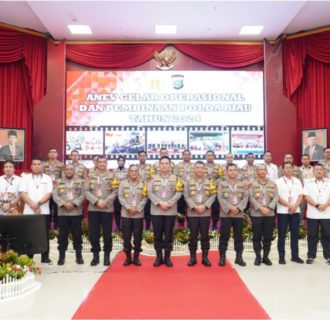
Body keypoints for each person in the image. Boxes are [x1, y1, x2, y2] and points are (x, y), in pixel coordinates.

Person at [148, 156, 182, 267]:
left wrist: (169, 203)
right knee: (157, 235)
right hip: (156, 210)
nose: (164, 165)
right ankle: (158, 257)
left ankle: (167, 257)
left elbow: (179, 192)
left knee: (169, 235)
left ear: (170, 165)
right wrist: (159, 203)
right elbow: (149, 192)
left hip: (170, 211)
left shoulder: (176, 178)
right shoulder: (153, 178)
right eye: (162, 163)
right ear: (159, 165)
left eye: (167, 163)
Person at [85, 156, 118, 266]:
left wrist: (105, 202)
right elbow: (86, 191)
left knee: (107, 233)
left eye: (104, 162)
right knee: (93, 233)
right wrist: (96, 201)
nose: (102, 164)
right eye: (100, 162)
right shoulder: (90, 175)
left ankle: (106, 255)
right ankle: (95, 256)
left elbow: (115, 191)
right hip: (93, 208)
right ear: (96, 163)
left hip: (107, 208)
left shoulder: (112, 175)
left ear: (107, 163)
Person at [19, 158, 53, 263]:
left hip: (44, 211)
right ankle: (29, 257)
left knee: (44, 234)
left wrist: (38, 204)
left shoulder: (48, 178)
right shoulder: (25, 178)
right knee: (29, 234)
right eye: (34, 164)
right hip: (29, 211)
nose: (37, 166)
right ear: (31, 166)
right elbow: (22, 193)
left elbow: (49, 194)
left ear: (42, 166)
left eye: (39, 164)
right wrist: (33, 205)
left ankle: (45, 257)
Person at [184, 161, 216, 267]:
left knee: (205, 235)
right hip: (192, 212)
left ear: (204, 169)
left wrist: (205, 206)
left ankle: (205, 258)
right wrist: (194, 206)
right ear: (194, 169)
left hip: (205, 212)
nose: (199, 169)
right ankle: (192, 257)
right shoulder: (188, 182)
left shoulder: (210, 182)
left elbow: (213, 195)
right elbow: (186, 195)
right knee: (192, 236)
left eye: (201, 168)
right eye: (197, 167)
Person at [52, 164, 85, 265]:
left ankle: (79, 256)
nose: (69, 171)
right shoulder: (58, 182)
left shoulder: (80, 182)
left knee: (77, 235)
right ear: (64, 171)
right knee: (62, 236)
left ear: (74, 170)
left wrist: (74, 204)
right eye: (67, 169)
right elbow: (54, 195)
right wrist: (64, 204)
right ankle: (61, 257)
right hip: (63, 213)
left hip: (76, 212)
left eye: (71, 169)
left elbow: (84, 195)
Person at [218, 164, 248, 267]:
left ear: (237, 171)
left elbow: (245, 197)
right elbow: (220, 198)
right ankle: (222, 257)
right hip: (226, 214)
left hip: (238, 214)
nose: (232, 172)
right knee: (224, 236)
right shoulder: (222, 184)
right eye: (230, 170)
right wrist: (230, 208)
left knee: (238, 236)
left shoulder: (242, 184)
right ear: (226, 172)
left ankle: (239, 257)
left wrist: (238, 208)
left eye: (234, 170)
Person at [118, 165, 147, 266]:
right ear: (129, 173)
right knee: (126, 237)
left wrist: (137, 208)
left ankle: (136, 258)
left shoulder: (143, 184)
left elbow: (145, 198)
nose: (134, 172)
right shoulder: (123, 183)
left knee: (138, 237)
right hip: (126, 214)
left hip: (138, 215)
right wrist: (128, 207)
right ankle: (128, 257)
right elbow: (120, 196)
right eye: (131, 171)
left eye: (135, 171)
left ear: (138, 173)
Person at [249, 164, 279, 266]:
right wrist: (261, 208)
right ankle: (258, 257)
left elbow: (276, 197)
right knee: (257, 236)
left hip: (269, 214)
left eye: (264, 170)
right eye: (260, 169)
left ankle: (266, 257)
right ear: (257, 172)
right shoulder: (252, 184)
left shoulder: (272, 184)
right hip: (256, 214)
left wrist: (269, 208)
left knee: (267, 237)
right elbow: (251, 197)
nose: (262, 171)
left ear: (267, 172)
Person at [275, 162, 304, 264]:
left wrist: (295, 206)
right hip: (283, 211)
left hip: (295, 211)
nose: (288, 169)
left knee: (295, 234)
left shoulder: (297, 181)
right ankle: (281, 257)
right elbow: (277, 197)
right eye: (286, 168)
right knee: (282, 234)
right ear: (282, 170)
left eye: (290, 168)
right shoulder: (278, 182)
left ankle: (295, 256)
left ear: (293, 169)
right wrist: (289, 205)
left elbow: (301, 195)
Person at [303, 163, 330, 264]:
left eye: (321, 169)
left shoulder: (329, 182)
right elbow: (306, 196)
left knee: (327, 235)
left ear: (324, 171)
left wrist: (325, 205)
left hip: (327, 214)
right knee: (312, 235)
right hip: (313, 214)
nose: (319, 171)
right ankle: (311, 256)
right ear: (313, 171)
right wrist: (317, 205)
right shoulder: (308, 182)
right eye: (317, 169)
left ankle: (328, 256)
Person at [43, 148, 64, 229]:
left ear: (57, 154)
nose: (52, 154)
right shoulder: (44, 164)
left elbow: (63, 177)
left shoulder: (61, 164)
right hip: (46, 189)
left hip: (57, 189)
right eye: (50, 152)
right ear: (48, 154)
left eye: (54, 152)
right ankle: (47, 226)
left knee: (57, 209)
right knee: (47, 208)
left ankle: (56, 226)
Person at [204, 150, 223, 230]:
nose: (210, 157)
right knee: (205, 208)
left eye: (211, 155)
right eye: (208, 155)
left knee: (215, 208)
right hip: (204, 190)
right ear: (206, 156)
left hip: (215, 190)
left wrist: (215, 183)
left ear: (214, 156)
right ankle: (205, 225)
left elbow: (222, 177)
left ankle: (214, 224)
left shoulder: (218, 166)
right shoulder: (202, 166)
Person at [174, 150, 195, 225]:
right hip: (181, 191)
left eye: (188, 154)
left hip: (192, 192)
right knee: (180, 209)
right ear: (182, 155)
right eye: (185, 154)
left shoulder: (194, 165)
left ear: (190, 155)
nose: (186, 156)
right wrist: (183, 183)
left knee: (191, 208)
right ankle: (181, 226)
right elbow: (175, 177)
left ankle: (191, 226)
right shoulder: (178, 165)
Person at [136, 150, 154, 230]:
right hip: (136, 191)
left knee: (147, 210)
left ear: (146, 157)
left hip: (147, 192)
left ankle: (147, 228)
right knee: (138, 209)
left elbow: (152, 179)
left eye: (144, 156)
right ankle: (137, 228)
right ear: (138, 157)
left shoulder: (150, 167)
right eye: (141, 156)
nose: (142, 157)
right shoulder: (134, 167)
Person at [113, 155, 128, 231]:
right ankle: (118, 225)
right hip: (116, 193)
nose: (121, 162)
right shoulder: (114, 171)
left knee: (125, 209)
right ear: (117, 162)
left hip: (125, 193)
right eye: (120, 160)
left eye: (122, 160)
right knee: (117, 210)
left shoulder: (128, 171)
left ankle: (125, 226)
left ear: (124, 162)